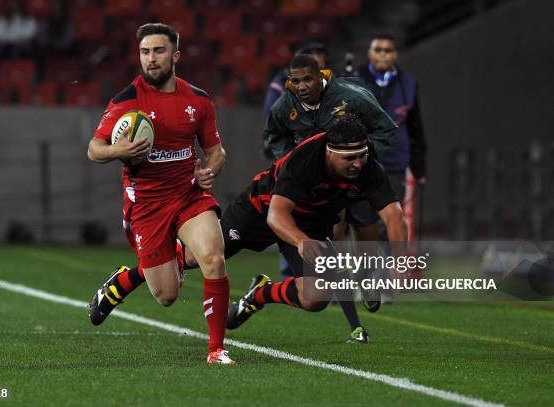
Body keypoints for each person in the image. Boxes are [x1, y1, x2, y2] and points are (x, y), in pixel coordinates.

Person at [183, 113, 407, 341]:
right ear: (330, 152)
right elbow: (276, 215)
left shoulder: (368, 168)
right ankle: (148, 268)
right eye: (350, 158)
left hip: (312, 222)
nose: (358, 163)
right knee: (192, 258)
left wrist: (399, 262)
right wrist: (301, 241)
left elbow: (393, 215)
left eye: (362, 156)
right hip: (260, 210)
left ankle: (259, 294)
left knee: (316, 297)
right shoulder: (305, 160)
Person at [86, 23, 234, 365]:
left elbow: (216, 151)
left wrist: (209, 171)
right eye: (144, 52)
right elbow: (94, 149)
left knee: (213, 256)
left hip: (188, 195)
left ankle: (216, 349)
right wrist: (118, 150)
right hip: (148, 205)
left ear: (175, 55)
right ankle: (125, 279)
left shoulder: (197, 100)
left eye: (158, 51)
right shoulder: (127, 100)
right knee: (167, 295)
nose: (151, 59)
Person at [262, 53, 399, 339]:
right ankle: (340, 289)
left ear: (321, 77)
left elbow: (385, 127)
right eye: (295, 81)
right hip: (318, 184)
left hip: (354, 176)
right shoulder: (284, 106)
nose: (301, 86)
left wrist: (363, 161)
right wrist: (292, 164)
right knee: (332, 233)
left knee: (367, 228)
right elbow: (274, 137)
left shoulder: (350, 96)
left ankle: (367, 278)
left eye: (307, 79)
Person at [263, 41, 331, 282]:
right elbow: (272, 124)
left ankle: (326, 271)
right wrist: (286, 160)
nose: (318, 59)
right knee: (288, 213)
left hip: (326, 165)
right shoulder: (281, 85)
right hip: (293, 164)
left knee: (329, 217)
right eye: (313, 55)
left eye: (320, 54)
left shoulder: (333, 85)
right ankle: (290, 271)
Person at [358, 33, 427, 205]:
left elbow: (415, 127)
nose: (382, 54)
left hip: (394, 164)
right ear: (369, 54)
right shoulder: (353, 81)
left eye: (387, 50)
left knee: (391, 221)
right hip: (360, 164)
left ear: (395, 55)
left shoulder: (407, 85)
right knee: (364, 224)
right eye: (378, 50)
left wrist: (419, 168)